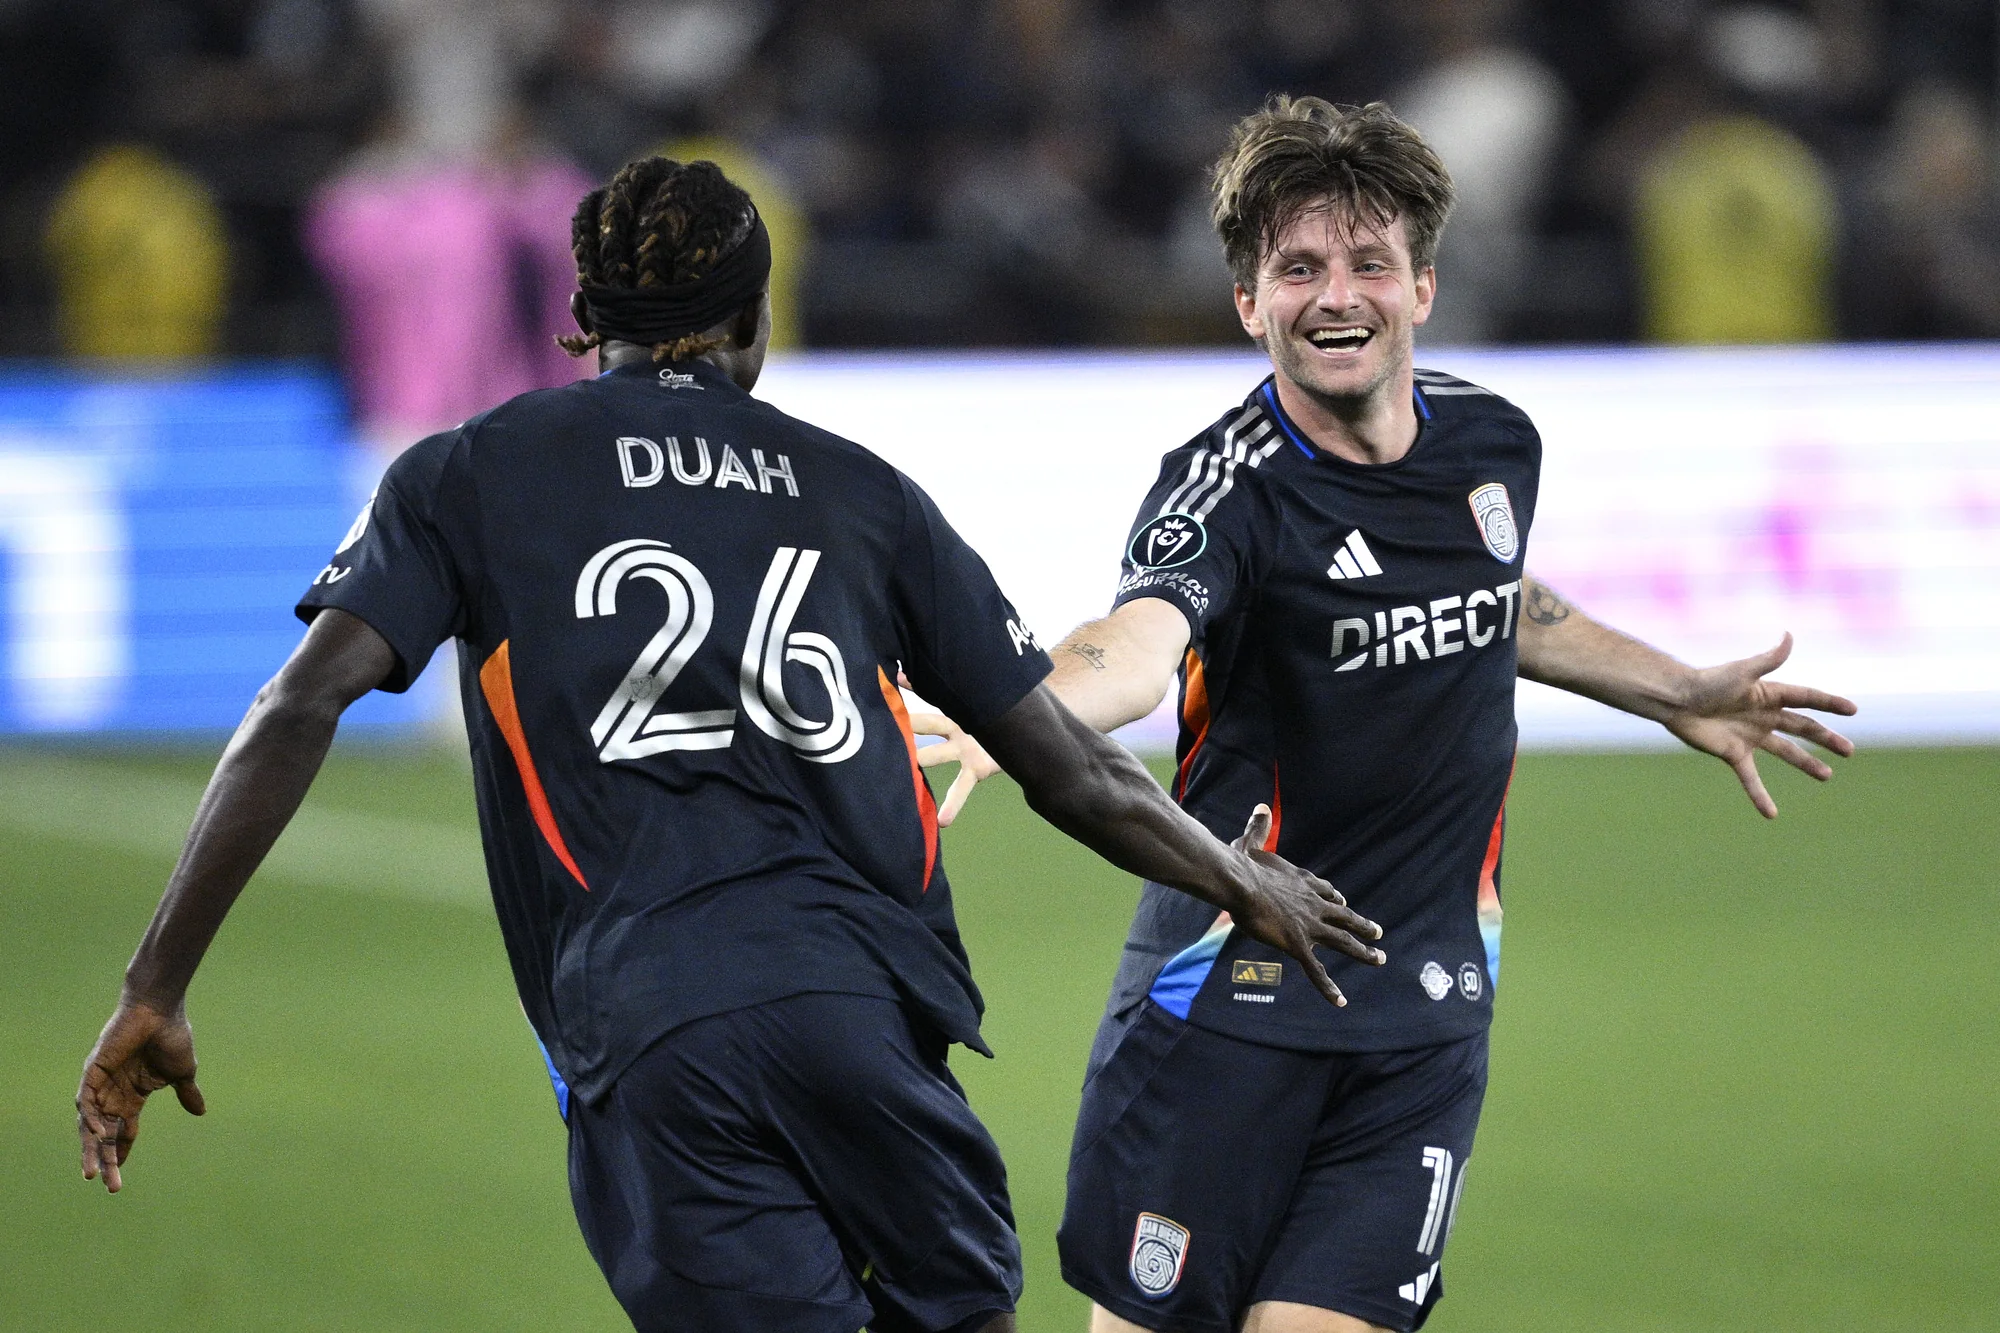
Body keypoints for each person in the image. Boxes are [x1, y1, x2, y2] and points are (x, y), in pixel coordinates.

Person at [73, 157, 1388, 1333]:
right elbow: (1065, 762)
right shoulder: (868, 495)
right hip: (866, 1021)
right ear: (760, 323)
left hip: (655, 1028)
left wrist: (155, 984)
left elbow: (298, 705)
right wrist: (1239, 877)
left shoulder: (469, 472)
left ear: (580, 323)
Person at [912, 97, 1857, 1333]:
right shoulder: (1223, 494)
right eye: (1295, 269)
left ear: (1421, 283)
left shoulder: (1490, 444)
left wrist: (1676, 688)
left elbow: (1498, 602)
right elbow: (1135, 646)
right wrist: (1022, 706)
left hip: (1426, 1017)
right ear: (1248, 302)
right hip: (1227, 1009)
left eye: (1366, 262)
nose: (1333, 294)